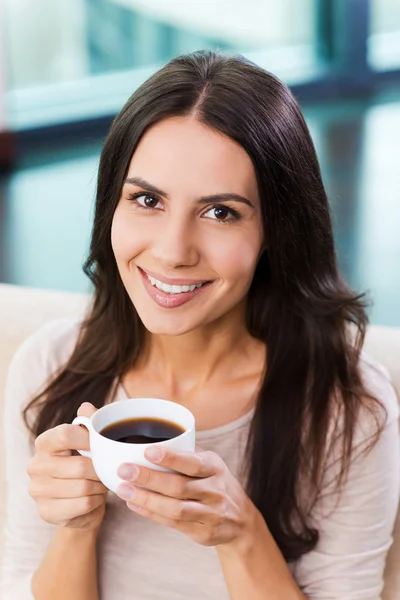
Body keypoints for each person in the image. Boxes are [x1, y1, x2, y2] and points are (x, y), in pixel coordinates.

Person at [1, 50, 399, 600]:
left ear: (277, 232)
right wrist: (76, 527)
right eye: (147, 199)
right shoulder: (50, 369)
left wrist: (241, 536)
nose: (172, 252)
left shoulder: (348, 406)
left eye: (221, 212)